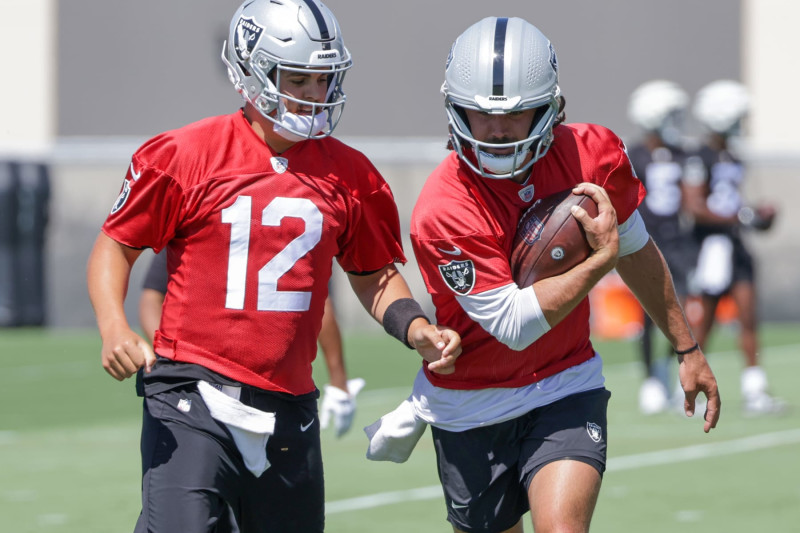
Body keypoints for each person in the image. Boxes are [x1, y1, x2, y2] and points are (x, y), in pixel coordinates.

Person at [86, 1, 460, 532]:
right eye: (299, 78)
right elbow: (114, 246)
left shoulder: (351, 175)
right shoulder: (187, 155)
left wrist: (415, 326)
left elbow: (373, 272)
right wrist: (112, 324)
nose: (313, 94)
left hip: (289, 404)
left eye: (324, 79)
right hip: (192, 392)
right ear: (250, 71)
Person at [390, 17, 720, 533]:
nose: (497, 129)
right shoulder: (442, 205)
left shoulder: (591, 154)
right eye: (480, 114)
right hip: (470, 401)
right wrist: (597, 262)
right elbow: (514, 325)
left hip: (563, 382)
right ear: (456, 110)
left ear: (549, 108)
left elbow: (633, 248)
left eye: (518, 114)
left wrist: (687, 347)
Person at [138, 249, 365, 437]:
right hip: (200, 382)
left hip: (276, 388)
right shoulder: (199, 212)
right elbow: (153, 296)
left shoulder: (294, 215)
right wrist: (171, 353)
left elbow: (318, 303)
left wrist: (339, 381)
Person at [684, 79, 785, 416]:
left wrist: (756, 215)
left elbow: (735, 204)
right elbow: (695, 206)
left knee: (749, 316)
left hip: (734, 244)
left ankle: (754, 389)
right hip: (712, 246)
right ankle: (687, 388)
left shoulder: (733, 155)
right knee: (706, 321)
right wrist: (742, 216)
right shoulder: (700, 156)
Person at [626, 80, 697, 414]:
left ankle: (668, 370)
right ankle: (650, 379)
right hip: (645, 240)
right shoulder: (635, 154)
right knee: (646, 313)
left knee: (679, 308)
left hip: (678, 241)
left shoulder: (683, 154)